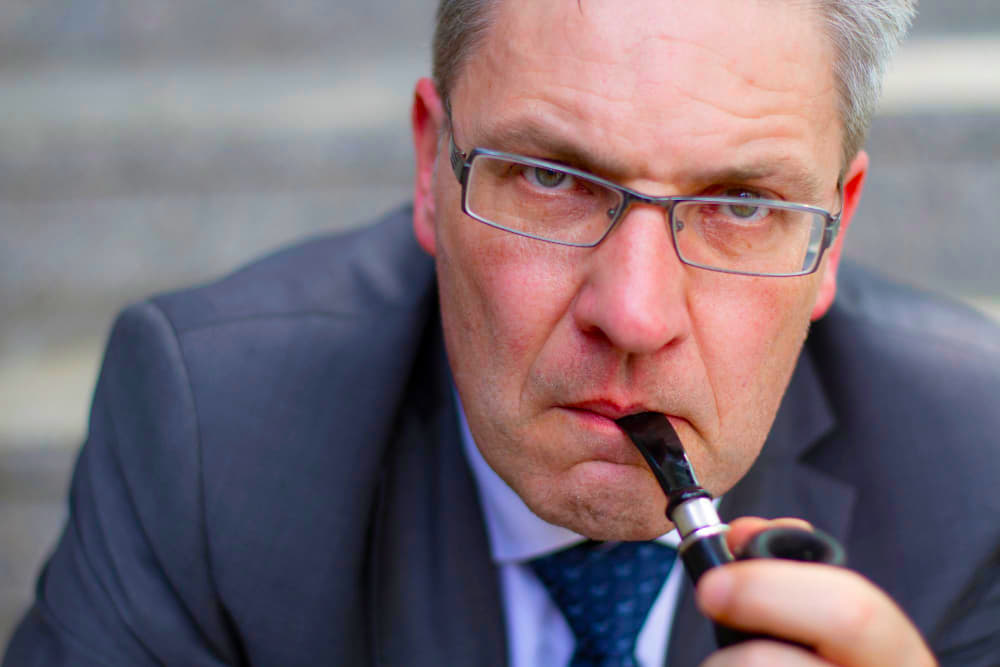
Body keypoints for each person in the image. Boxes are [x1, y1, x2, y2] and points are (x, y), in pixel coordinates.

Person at [5, 0, 999, 665]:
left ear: (833, 235)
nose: (635, 315)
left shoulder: (974, 472)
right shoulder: (207, 427)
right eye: (552, 178)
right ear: (429, 167)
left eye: (741, 204)